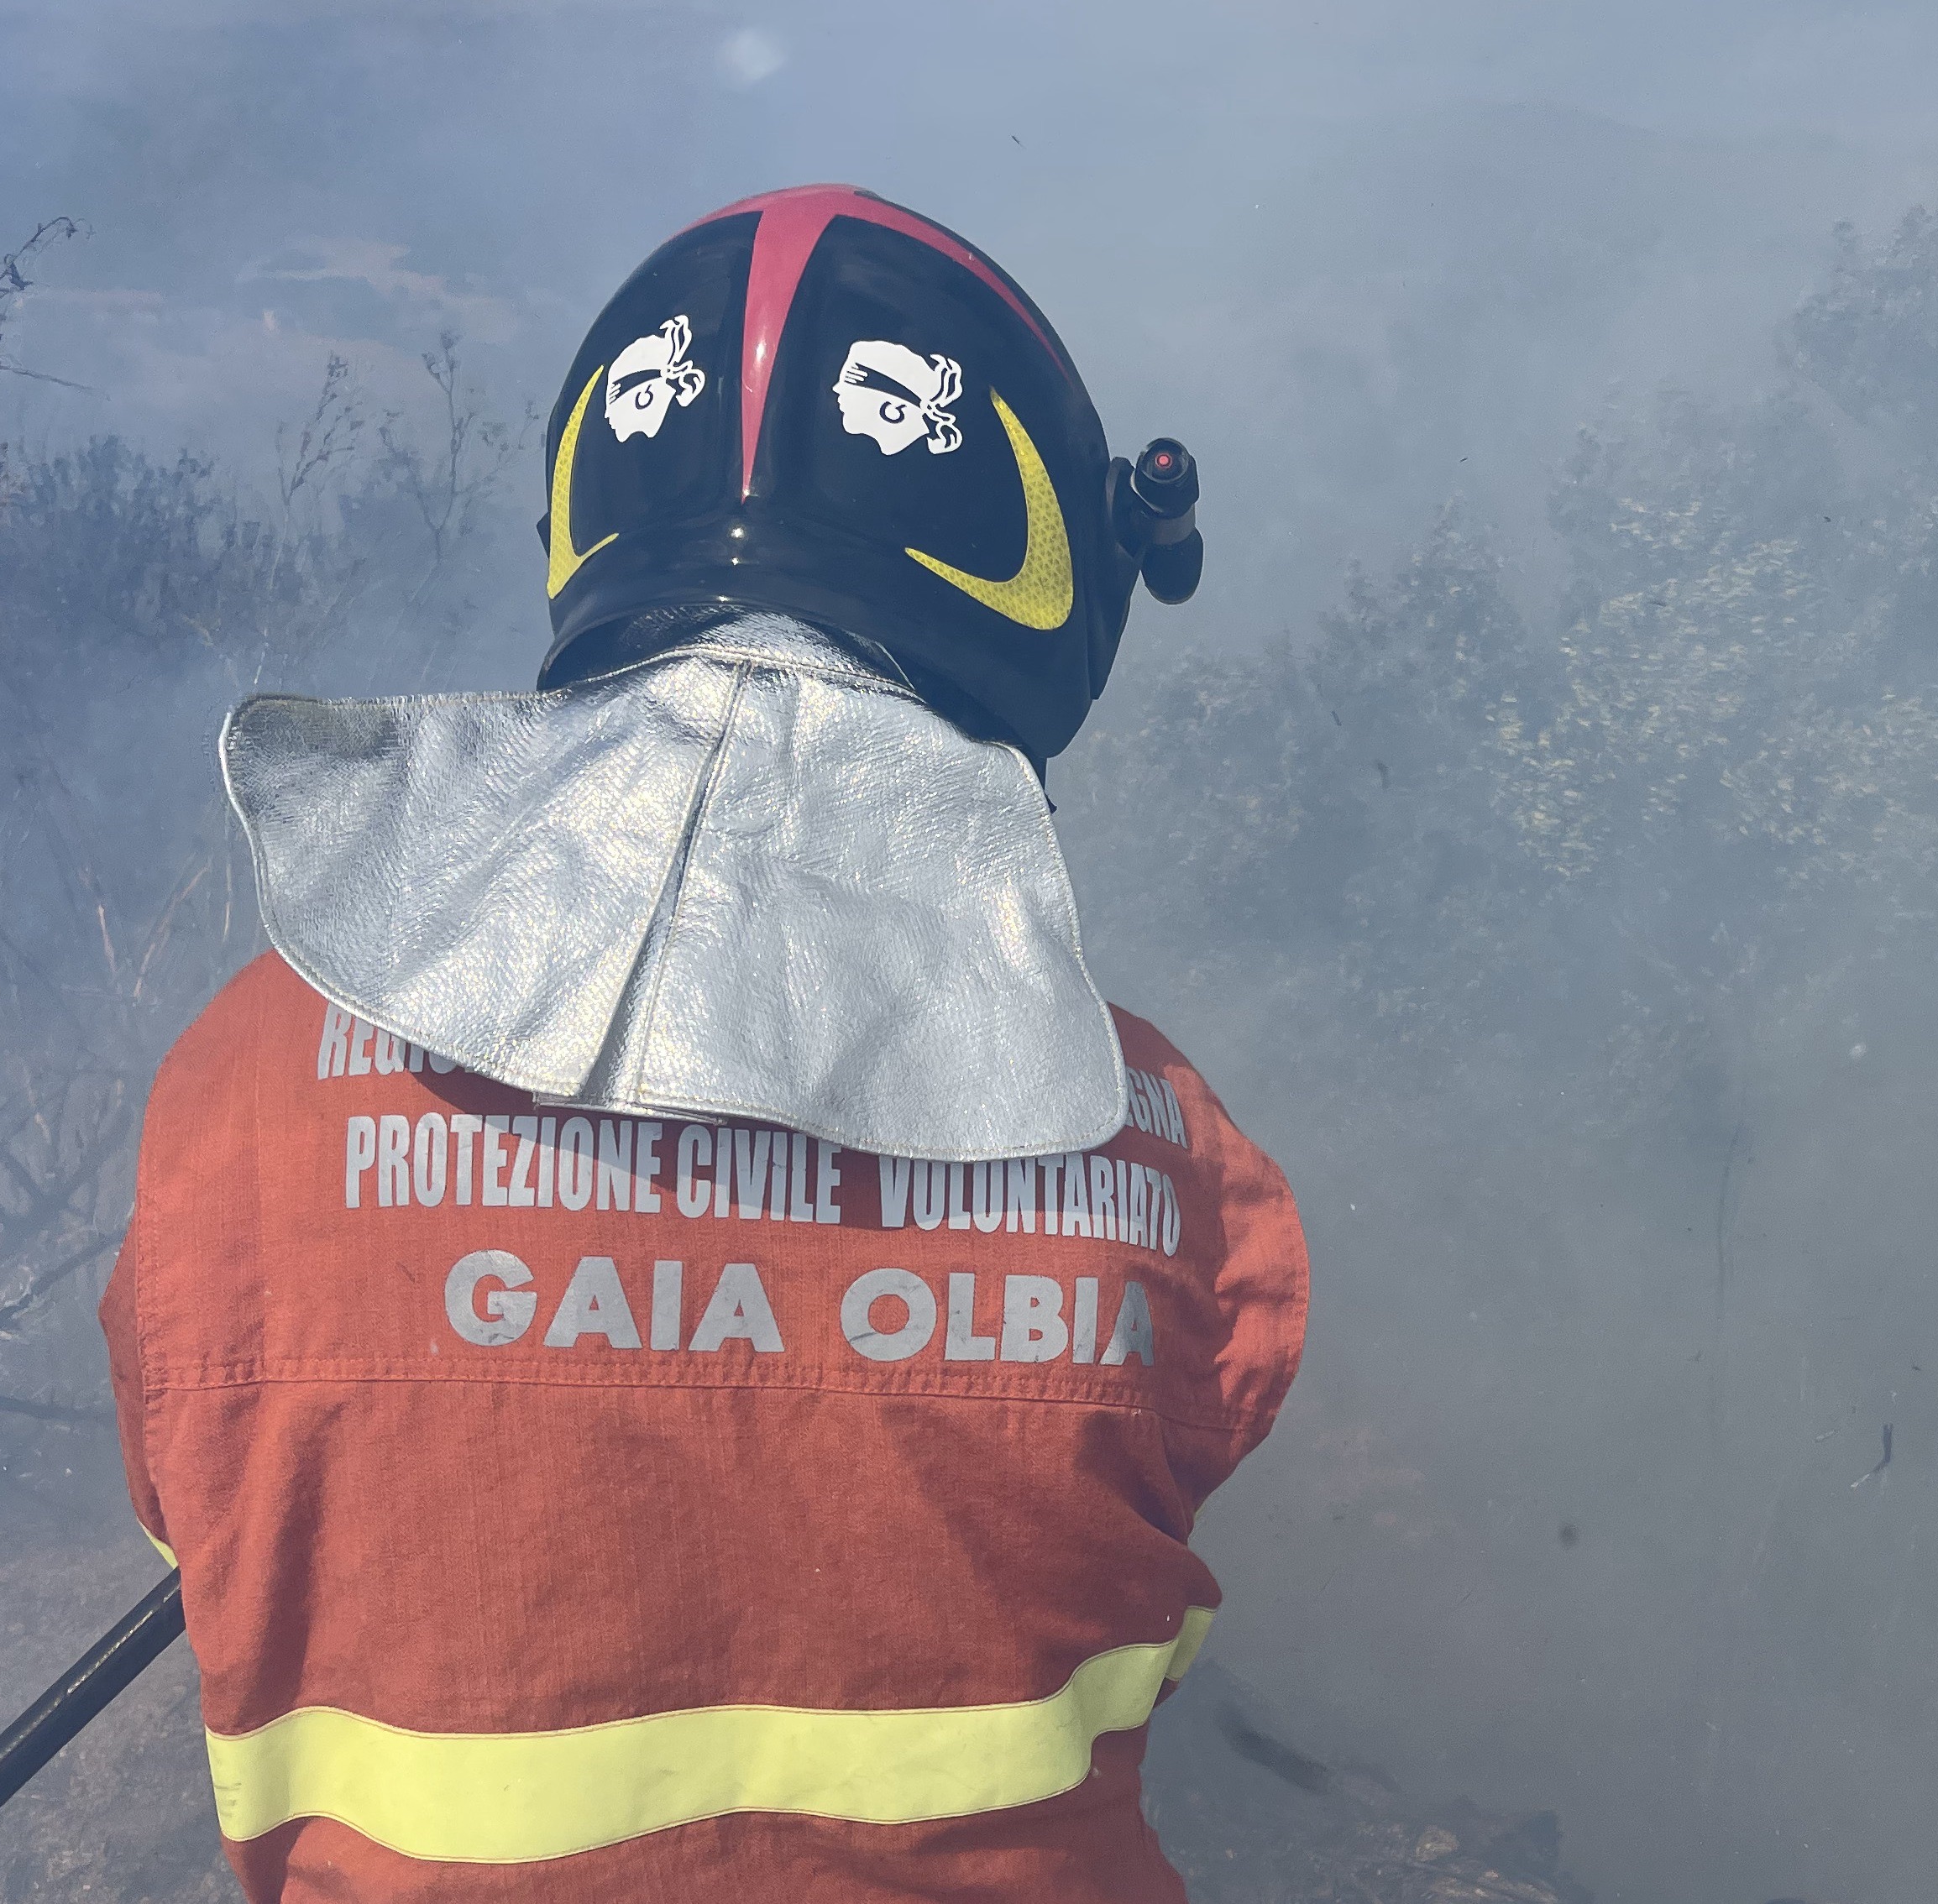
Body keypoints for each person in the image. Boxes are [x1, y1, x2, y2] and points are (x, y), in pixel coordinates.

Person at [100, 184, 1305, 1903]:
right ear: (1038, 574)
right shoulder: (1163, 1152)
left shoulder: (235, 1098)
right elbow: (1153, 1548)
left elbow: (199, 1524)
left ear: (595, 527)